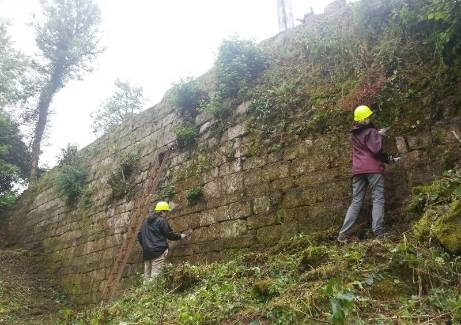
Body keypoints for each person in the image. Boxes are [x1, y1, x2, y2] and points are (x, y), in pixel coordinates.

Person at [337, 105, 399, 243]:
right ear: (364, 118)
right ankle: (378, 230)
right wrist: (379, 135)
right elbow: (376, 149)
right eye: (368, 116)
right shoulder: (371, 131)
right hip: (372, 169)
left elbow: (364, 144)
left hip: (358, 170)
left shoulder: (353, 133)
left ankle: (343, 234)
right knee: (378, 197)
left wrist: (377, 133)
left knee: (356, 201)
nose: (370, 118)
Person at [137, 201, 187, 280]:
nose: (166, 214)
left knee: (147, 277)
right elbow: (169, 235)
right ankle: (153, 292)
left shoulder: (146, 221)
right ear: (162, 211)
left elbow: (139, 235)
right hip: (158, 251)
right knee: (155, 277)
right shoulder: (161, 221)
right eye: (166, 212)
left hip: (147, 252)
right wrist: (180, 236)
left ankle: (145, 292)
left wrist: (145, 246)